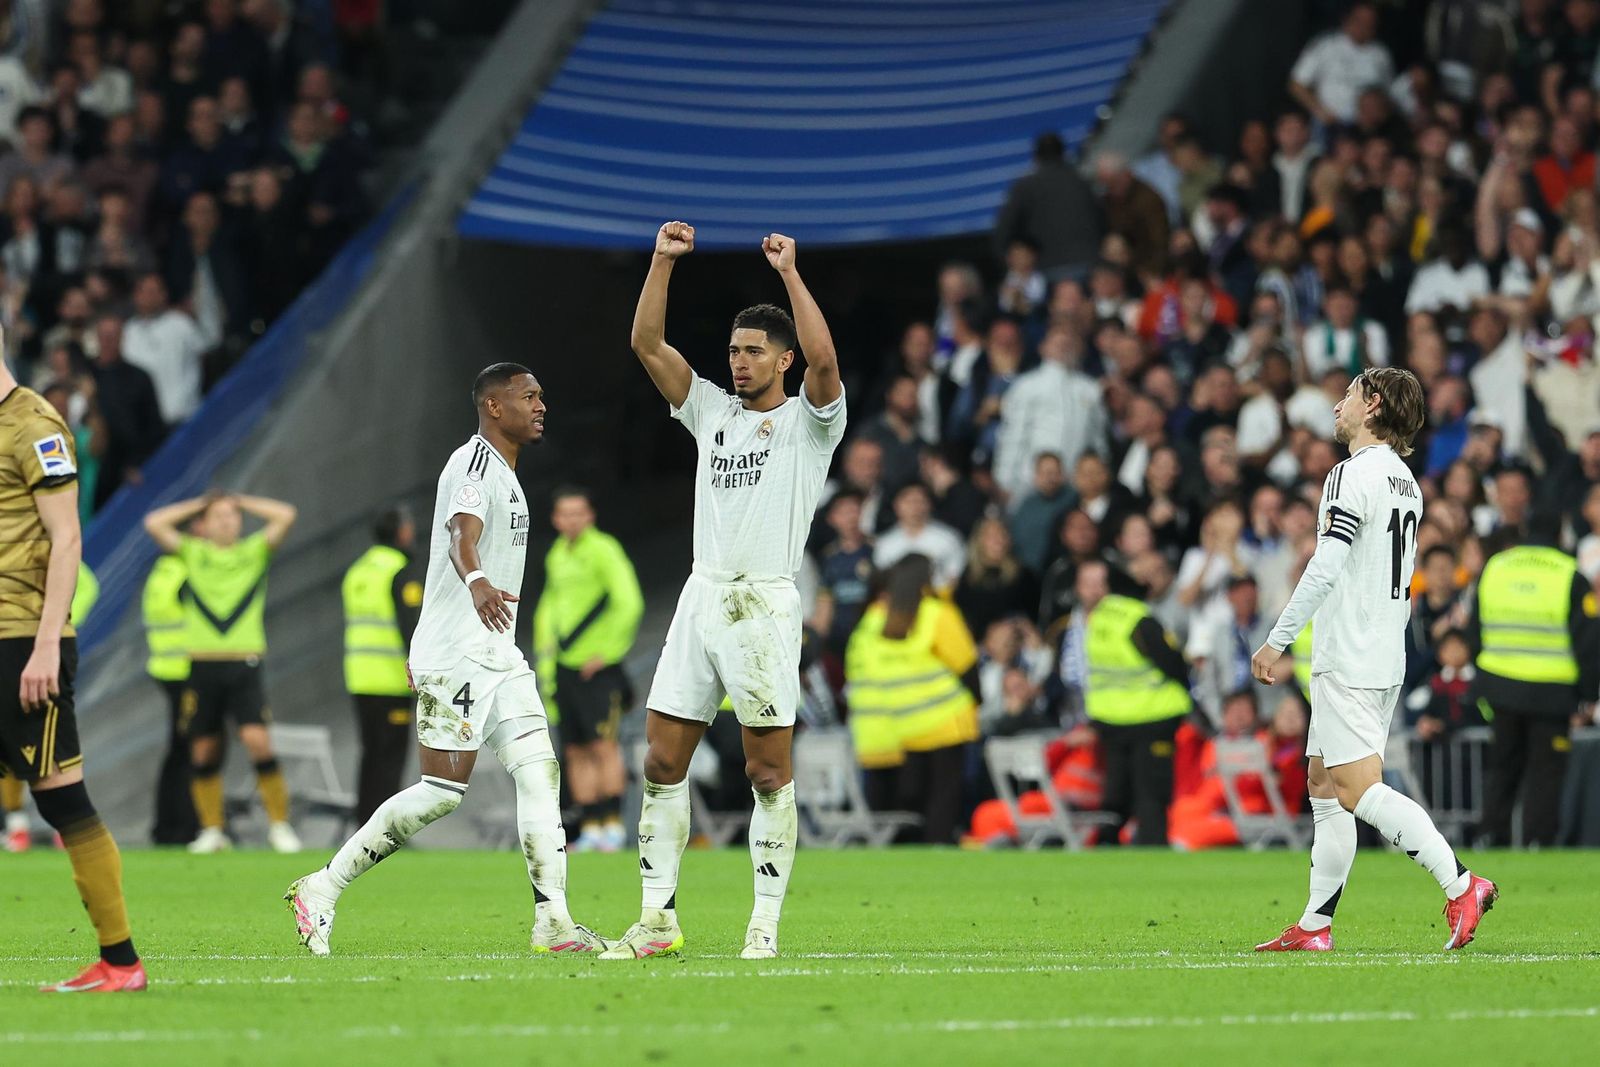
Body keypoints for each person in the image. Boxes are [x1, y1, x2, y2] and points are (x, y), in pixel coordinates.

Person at [287, 363, 606, 957]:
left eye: (542, 395)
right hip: (456, 651)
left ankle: (554, 923)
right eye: (528, 396)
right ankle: (321, 888)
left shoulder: (508, 472)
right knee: (441, 790)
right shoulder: (474, 464)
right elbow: (463, 533)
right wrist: (479, 581)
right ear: (493, 406)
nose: (541, 405)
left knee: (540, 772)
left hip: (497, 652)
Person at [604, 222, 845, 962]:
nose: (738, 362)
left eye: (752, 352)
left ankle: (763, 922)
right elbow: (648, 345)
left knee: (767, 771)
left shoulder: (811, 424)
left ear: (783, 359)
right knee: (660, 761)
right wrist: (661, 261)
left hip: (764, 602)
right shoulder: (710, 408)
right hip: (702, 598)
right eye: (734, 350)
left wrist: (791, 276)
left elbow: (828, 359)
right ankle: (656, 919)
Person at [1251, 368, 1497, 954]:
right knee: (1322, 783)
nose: (1337, 405)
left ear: (1373, 404)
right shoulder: (1406, 481)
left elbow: (1327, 564)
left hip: (1351, 654)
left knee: (1358, 789)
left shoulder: (1350, 474)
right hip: (1385, 650)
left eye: (1348, 395)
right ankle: (1315, 925)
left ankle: (1461, 882)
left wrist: (1277, 639)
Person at [0, 340, 145, 991]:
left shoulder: (34, 423)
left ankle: (121, 961)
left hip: (23, 640)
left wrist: (47, 644)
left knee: (64, 801)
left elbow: (67, 537)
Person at [142, 489, 300, 854]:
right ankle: (212, 830)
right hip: (202, 665)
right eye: (219, 516)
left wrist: (243, 499)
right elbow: (154, 523)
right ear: (205, 524)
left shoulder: (253, 552)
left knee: (257, 741)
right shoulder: (194, 554)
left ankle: (279, 825)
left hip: (244, 662)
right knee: (202, 751)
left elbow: (286, 514)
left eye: (232, 515)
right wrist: (200, 502)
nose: (227, 521)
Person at [1465, 524, 1599, 846]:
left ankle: (1488, 836)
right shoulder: (1570, 574)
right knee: (1546, 772)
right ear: (1559, 537)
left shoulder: (1496, 566)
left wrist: (1484, 678)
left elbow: (1474, 628)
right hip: (1551, 692)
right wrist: (1587, 693)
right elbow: (1589, 638)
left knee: (1502, 767)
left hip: (1500, 687)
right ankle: (1538, 840)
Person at [533, 485, 644, 853]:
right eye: (565, 514)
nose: (572, 520)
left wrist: (606, 652)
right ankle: (591, 825)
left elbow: (629, 602)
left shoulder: (604, 550)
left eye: (579, 512)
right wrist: (546, 660)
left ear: (590, 515)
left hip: (597, 669)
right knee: (575, 750)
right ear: (555, 519)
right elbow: (550, 607)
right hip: (565, 669)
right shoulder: (557, 555)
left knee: (603, 745)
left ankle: (612, 825)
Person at [845, 554, 980, 844]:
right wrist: (976, 702)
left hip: (904, 721)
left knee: (914, 797)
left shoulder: (877, 617)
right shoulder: (937, 613)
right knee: (944, 796)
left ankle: (917, 850)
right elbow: (967, 665)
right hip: (946, 717)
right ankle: (939, 847)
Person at [1077, 559, 1192, 845]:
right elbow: (1173, 663)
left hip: (1110, 717)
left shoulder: (1098, 618)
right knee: (1151, 792)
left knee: (1117, 789)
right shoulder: (1138, 617)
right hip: (1152, 715)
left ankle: (1107, 844)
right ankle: (1152, 847)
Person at [341, 505, 425, 825]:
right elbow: (411, 624)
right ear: (402, 531)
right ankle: (384, 830)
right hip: (391, 678)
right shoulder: (401, 570)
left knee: (370, 754)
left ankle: (364, 824)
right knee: (390, 758)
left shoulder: (358, 570)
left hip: (360, 676)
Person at [142, 551, 197, 846]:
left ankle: (168, 827)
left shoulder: (162, 571)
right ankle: (185, 828)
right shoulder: (189, 571)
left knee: (179, 751)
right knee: (190, 750)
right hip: (187, 671)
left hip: (166, 668)